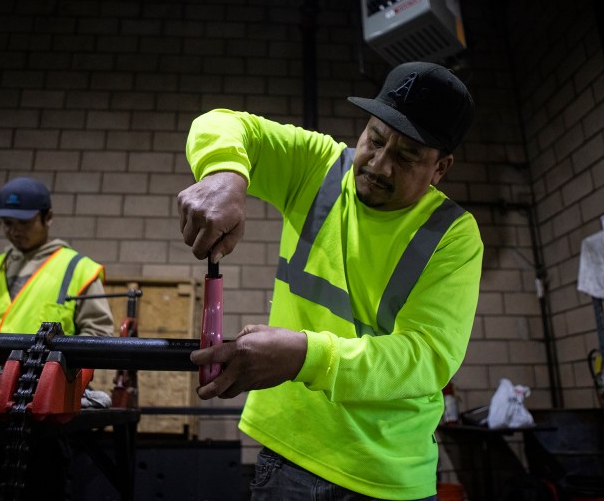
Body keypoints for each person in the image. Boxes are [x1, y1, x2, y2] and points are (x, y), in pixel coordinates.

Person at [179, 62, 483, 501]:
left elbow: (427, 356)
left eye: (406, 157)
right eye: (375, 140)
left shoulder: (453, 235)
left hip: (386, 474)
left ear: (441, 168)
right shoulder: (319, 167)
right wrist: (225, 173)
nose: (379, 165)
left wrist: (305, 356)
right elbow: (220, 123)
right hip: (288, 455)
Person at [0, 176, 115, 385]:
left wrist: (56, 379)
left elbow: (98, 335)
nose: (15, 231)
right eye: (7, 223)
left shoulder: (78, 270)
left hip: (41, 400)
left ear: (48, 217)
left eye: (24, 222)